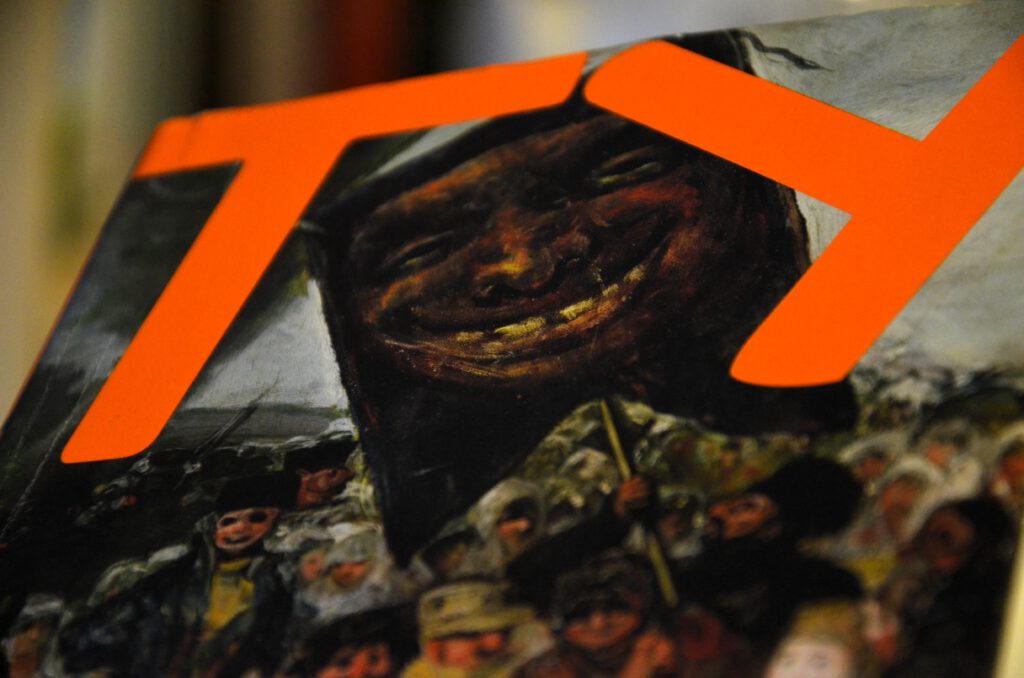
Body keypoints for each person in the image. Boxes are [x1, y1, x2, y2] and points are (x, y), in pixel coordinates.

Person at [676, 457, 864, 656]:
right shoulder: (719, 547)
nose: (720, 510)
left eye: (747, 507)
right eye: (738, 502)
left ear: (775, 530)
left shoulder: (746, 578)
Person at [516, 553, 676, 678]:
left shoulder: (664, 654)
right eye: (581, 614)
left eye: (614, 609)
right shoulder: (548, 668)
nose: (598, 624)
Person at [402, 579, 550, 678]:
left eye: (502, 628)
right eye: (471, 634)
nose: (494, 639)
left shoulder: (532, 647)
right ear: (436, 649)